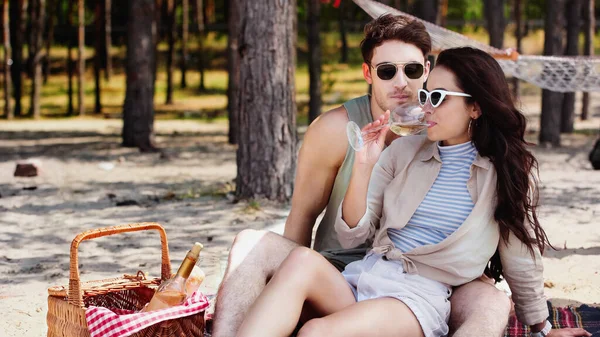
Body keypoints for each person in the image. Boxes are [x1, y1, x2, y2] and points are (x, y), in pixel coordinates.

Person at [234, 47, 592, 337]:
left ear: (475, 106)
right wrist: (364, 165)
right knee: (300, 261)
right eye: (425, 95)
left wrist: (541, 327)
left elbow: (520, 257)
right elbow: (353, 232)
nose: (425, 106)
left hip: (418, 297)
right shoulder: (403, 152)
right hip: (366, 275)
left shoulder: (505, 174)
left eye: (437, 96)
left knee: (316, 332)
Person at [213, 15, 511, 337]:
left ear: (426, 70)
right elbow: (302, 216)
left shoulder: (445, 128)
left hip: (427, 278)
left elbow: (496, 212)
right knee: (251, 243)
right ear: (368, 73)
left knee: (493, 302)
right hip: (342, 267)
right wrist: (288, 287)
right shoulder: (334, 130)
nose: (401, 82)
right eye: (386, 71)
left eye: (411, 70)